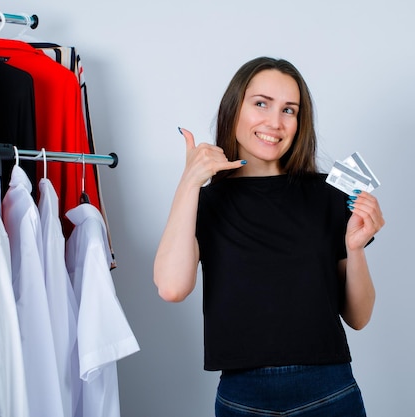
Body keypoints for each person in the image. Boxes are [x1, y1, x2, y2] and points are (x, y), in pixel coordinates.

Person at [153, 57, 385, 417]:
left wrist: (355, 249)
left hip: (329, 392)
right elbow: (171, 287)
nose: (275, 123)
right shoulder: (204, 202)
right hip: (242, 398)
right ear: (234, 109)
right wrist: (189, 183)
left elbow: (358, 316)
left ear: (299, 122)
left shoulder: (329, 194)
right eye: (261, 103)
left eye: (289, 110)